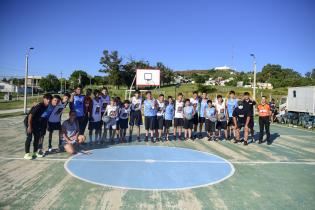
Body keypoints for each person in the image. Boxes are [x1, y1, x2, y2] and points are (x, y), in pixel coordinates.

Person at [24, 94, 52, 160]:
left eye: (49, 99)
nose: (48, 100)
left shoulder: (46, 106)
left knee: (37, 137)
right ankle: (27, 154)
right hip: (29, 122)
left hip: (36, 123)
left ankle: (35, 152)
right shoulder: (40, 105)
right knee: (29, 137)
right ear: (44, 99)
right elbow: (30, 115)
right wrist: (29, 126)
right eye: (47, 99)